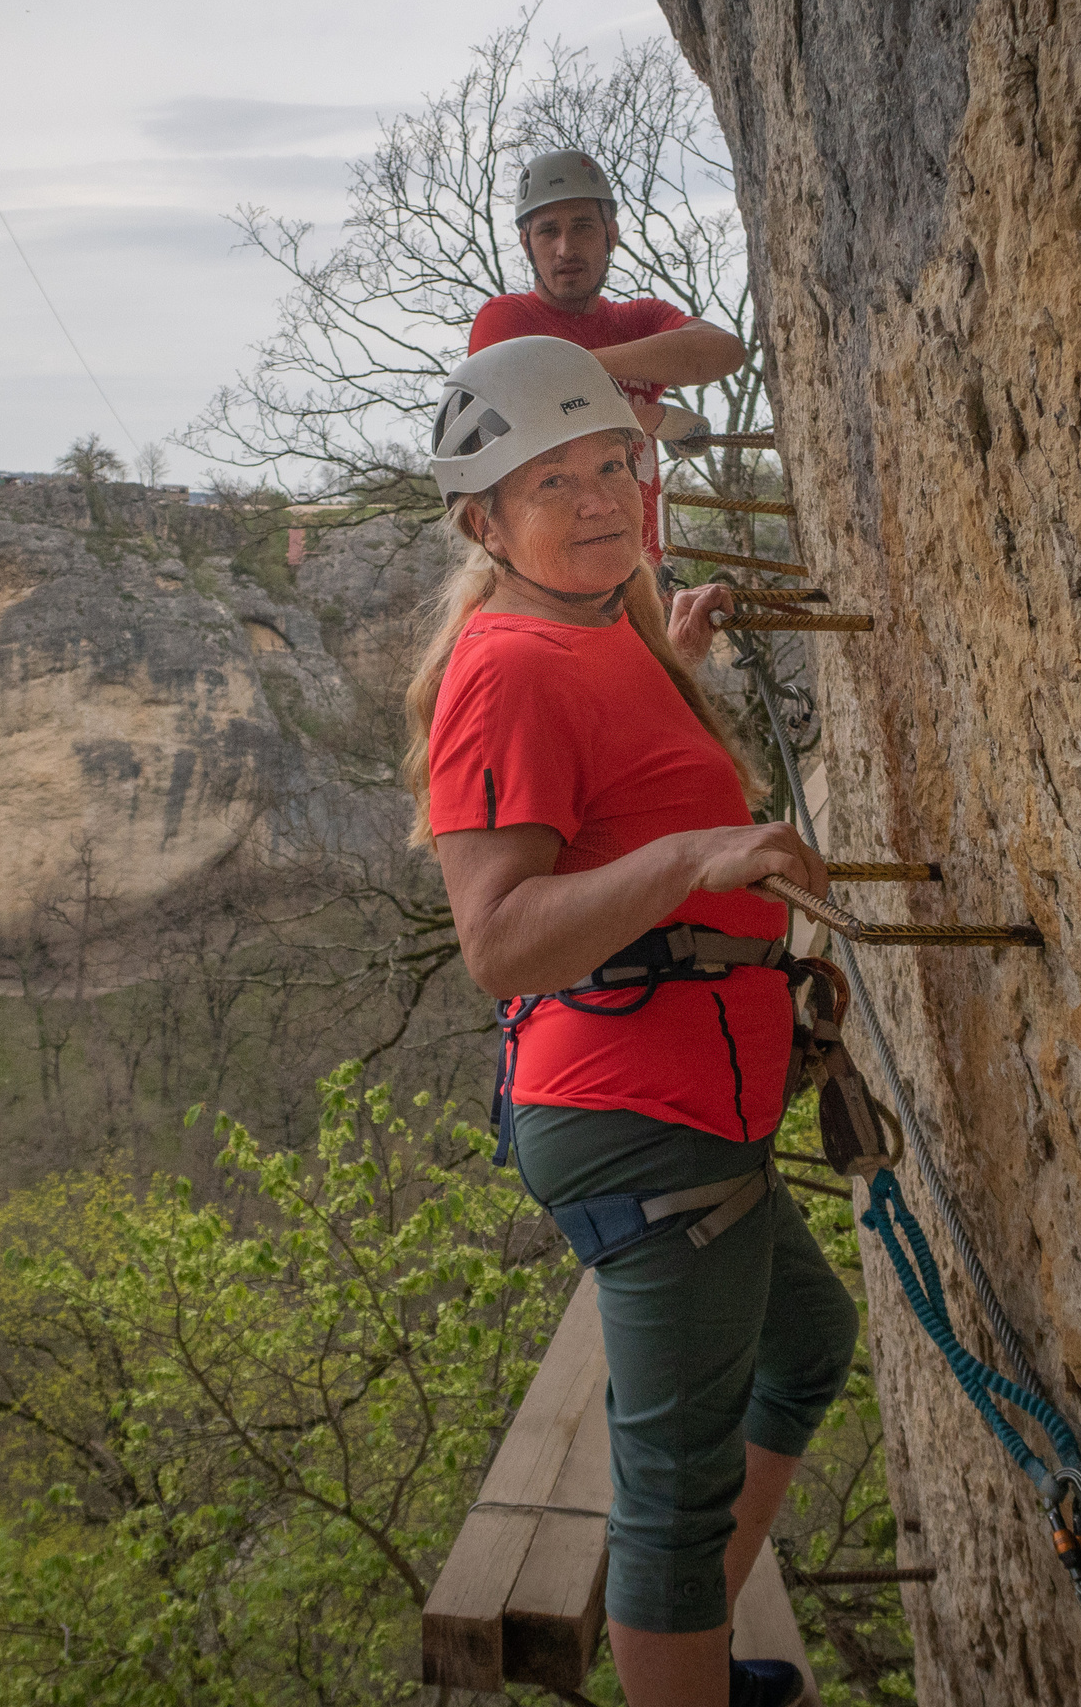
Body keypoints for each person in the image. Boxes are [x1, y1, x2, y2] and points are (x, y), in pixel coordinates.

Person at [406, 335, 858, 1707]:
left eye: (619, 464)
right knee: (672, 1494)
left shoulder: (603, 622)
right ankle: (686, 1676)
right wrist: (687, 867)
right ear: (488, 521)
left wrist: (683, 652)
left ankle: (696, 1664)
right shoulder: (510, 666)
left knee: (809, 1340)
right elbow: (497, 941)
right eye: (561, 482)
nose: (607, 498)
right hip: (638, 1122)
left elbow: (625, 766)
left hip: (685, 1103)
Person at [470, 149, 748, 567]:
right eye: (548, 231)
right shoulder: (508, 320)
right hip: (554, 576)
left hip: (638, 572)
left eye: (582, 227)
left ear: (610, 234)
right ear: (526, 242)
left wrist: (582, 366)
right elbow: (531, 435)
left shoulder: (638, 320)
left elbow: (724, 351)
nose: (565, 248)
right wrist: (650, 419)